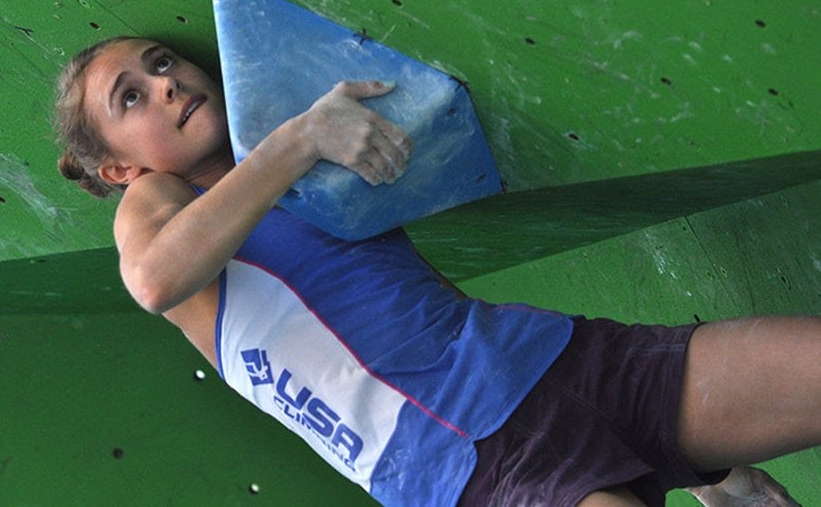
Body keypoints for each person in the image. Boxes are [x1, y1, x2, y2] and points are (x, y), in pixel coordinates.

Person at [53, 35, 820, 506]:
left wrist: (699, 467)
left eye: (162, 64)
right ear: (117, 165)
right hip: (471, 469)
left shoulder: (302, 181)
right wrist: (301, 136)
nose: (168, 83)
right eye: (134, 96)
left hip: (553, 362)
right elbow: (153, 280)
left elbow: (421, 308)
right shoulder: (157, 200)